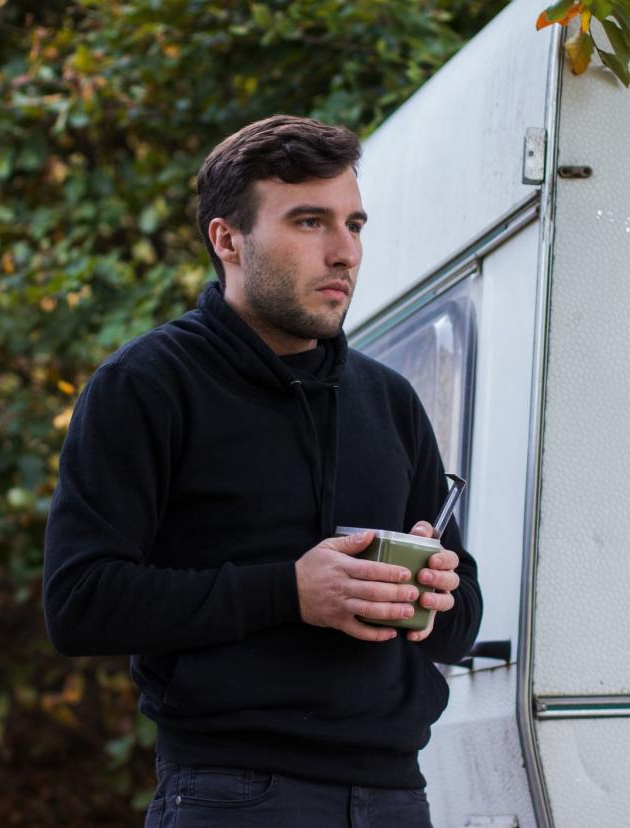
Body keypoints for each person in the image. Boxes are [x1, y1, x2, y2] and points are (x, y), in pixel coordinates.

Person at [42, 114, 482, 827]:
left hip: (398, 798)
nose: (344, 252)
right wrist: (289, 592)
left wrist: (432, 598)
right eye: (310, 222)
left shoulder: (390, 401)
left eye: (355, 224)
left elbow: (464, 621)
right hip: (233, 797)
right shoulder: (147, 385)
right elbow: (79, 603)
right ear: (228, 239)